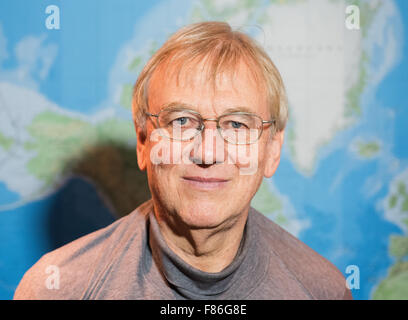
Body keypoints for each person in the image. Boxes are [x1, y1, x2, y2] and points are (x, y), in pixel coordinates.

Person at [14, 21, 352, 300]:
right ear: (144, 142)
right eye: (181, 122)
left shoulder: (322, 290)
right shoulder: (56, 289)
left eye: (237, 125)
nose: (207, 153)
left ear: (272, 150)